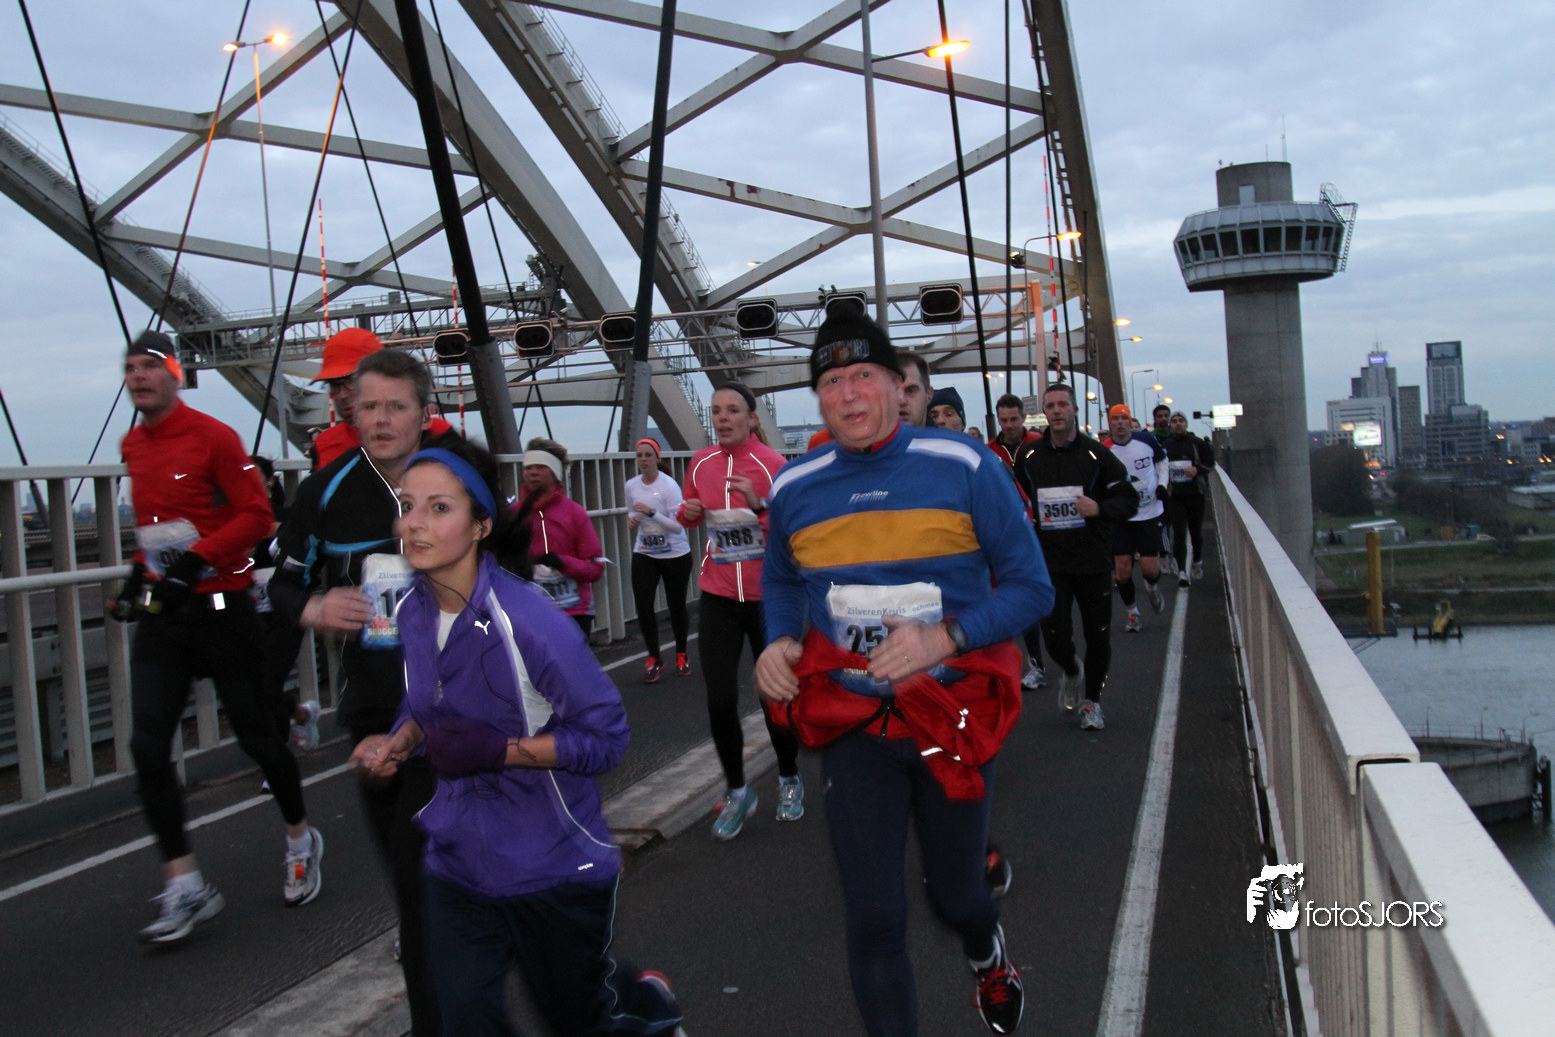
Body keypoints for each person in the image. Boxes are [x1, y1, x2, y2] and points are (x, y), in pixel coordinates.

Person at [756, 311, 1052, 1036]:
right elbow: (782, 578)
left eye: (864, 375)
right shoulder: (794, 484)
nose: (849, 394)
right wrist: (778, 641)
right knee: (873, 916)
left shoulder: (965, 465)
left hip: (950, 715)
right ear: (817, 398)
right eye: (831, 382)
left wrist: (943, 637)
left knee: (955, 897)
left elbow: (1031, 587)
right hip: (858, 723)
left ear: (897, 385)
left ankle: (986, 949)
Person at [351, 441, 685, 1037]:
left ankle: (647, 1013)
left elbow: (606, 737)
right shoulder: (410, 612)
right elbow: (428, 703)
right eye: (407, 505)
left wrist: (497, 752)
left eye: (439, 508)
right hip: (457, 862)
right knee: (465, 1023)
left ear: (481, 526)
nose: (415, 523)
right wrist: (399, 741)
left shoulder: (528, 621)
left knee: (580, 1024)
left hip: (550, 864)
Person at [269, 347, 454, 1035]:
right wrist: (314, 607)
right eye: (367, 405)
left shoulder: (460, 475)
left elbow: (514, 562)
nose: (379, 419)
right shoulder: (326, 492)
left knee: (433, 879)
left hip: (459, 709)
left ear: (423, 413)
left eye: (395, 407)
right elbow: (281, 581)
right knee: (414, 886)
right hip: (375, 714)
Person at [113, 330, 320, 944]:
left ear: (175, 374)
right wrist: (138, 576)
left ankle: (300, 838)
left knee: (258, 737)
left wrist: (197, 561)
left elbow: (257, 516)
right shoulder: (132, 444)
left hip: (224, 610)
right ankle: (186, 885)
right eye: (130, 367)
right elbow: (156, 529)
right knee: (147, 747)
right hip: (166, 615)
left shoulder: (215, 437)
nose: (138, 376)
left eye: (150, 366)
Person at [677, 381, 803, 839]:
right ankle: (738, 790)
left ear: (752, 418)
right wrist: (689, 512)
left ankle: (788, 777)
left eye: (733, 410)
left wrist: (760, 507)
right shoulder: (701, 463)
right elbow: (688, 514)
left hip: (769, 598)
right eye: (717, 411)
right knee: (719, 698)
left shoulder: (775, 466)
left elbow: (794, 529)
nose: (723, 418)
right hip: (718, 596)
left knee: (775, 698)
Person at [1013, 383, 1135, 731]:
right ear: (1044, 413)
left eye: (1062, 404)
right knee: (1054, 636)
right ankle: (1069, 669)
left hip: (1092, 560)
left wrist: (1099, 508)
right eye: (1050, 405)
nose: (1056, 411)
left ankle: (1092, 702)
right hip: (1051, 562)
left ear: (1074, 409)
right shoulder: (1029, 456)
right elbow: (1017, 496)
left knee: (1098, 635)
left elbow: (1128, 499)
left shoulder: (1097, 455)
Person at [309, 327, 455, 471]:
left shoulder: (437, 434)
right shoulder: (324, 447)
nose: (342, 395)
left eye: (351, 381)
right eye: (334, 385)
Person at [513, 438, 606, 636]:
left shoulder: (574, 513)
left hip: (573, 610)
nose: (533, 472)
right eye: (528, 468)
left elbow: (596, 568)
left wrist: (562, 563)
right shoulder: (513, 515)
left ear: (555, 473)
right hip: (531, 611)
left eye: (540, 467)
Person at [985, 394, 1046, 693]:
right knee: (1019, 597)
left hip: (1044, 529)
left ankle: (1056, 654)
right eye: (1003, 420)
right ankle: (1034, 665)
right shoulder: (989, 451)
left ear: (1023, 418)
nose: (1008, 425)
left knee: (1046, 599)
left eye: (1013, 419)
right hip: (1009, 535)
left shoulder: (1038, 444)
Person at [626, 437, 692, 682]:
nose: (643, 460)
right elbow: (631, 510)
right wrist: (632, 519)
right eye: (639, 456)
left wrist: (652, 512)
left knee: (676, 606)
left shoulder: (669, 486)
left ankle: (682, 654)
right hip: (645, 551)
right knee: (643, 605)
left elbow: (677, 526)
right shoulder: (631, 485)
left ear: (657, 458)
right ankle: (655, 657)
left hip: (675, 553)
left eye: (648, 455)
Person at [1102, 405, 1168, 633]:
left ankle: (1152, 588)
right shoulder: (1104, 449)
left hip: (1149, 512)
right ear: (1110, 423)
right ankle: (1133, 613)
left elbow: (1162, 463)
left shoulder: (1146, 440)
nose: (1120, 423)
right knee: (1122, 570)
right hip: (1122, 517)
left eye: (1124, 418)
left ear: (1130, 422)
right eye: (1115, 419)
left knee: (1150, 569)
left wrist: (1162, 485)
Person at [1163, 410, 1215, 585]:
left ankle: (1197, 560)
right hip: (1175, 496)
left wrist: (1197, 470)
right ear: (1171, 425)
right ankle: (1182, 572)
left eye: (1181, 420)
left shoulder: (1197, 443)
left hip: (1195, 494)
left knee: (1195, 532)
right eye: (1174, 421)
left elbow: (1210, 464)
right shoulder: (1166, 446)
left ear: (1186, 424)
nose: (1178, 423)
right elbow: (1159, 467)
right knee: (1178, 533)